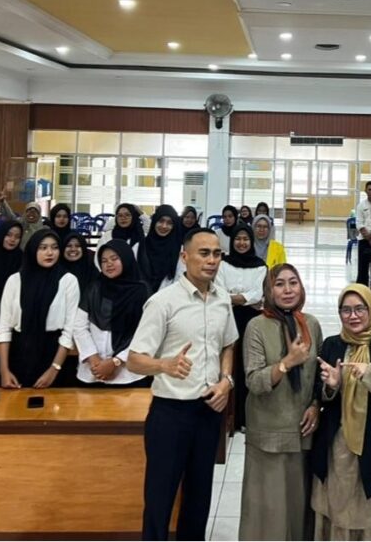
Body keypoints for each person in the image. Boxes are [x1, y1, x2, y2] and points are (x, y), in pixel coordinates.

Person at [126, 228, 237, 541]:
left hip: (208, 411)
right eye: (204, 253)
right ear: (184, 256)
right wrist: (164, 365)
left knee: (199, 499)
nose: (212, 260)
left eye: (217, 254)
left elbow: (228, 344)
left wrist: (226, 380)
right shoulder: (162, 302)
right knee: (160, 499)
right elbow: (134, 359)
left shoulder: (222, 299)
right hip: (170, 414)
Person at [310, 284, 371, 540]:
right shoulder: (331, 345)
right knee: (335, 512)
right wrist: (332, 386)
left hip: (370, 448)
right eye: (346, 310)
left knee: (366, 516)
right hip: (335, 446)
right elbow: (317, 392)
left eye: (360, 309)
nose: (353, 316)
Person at [239, 264, 323, 540]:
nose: (287, 290)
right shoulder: (256, 326)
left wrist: (315, 406)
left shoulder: (310, 325)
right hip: (268, 433)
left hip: (302, 433)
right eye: (279, 284)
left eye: (293, 283)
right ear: (269, 290)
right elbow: (254, 381)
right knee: (268, 513)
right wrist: (286, 363)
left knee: (299, 511)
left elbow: (318, 377)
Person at [0, 229, 80, 389]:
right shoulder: (14, 280)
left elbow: (68, 331)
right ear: (32, 250)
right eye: (43, 248)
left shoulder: (68, 281)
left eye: (54, 247)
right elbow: (5, 328)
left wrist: (54, 369)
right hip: (19, 353)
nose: (50, 253)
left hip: (53, 353)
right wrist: (4, 370)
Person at [73, 240, 149, 386]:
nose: (109, 264)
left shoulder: (142, 291)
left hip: (128, 374)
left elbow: (146, 331)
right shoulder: (94, 288)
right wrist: (93, 358)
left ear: (126, 259)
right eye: (104, 261)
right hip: (92, 372)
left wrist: (116, 361)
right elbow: (79, 326)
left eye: (114, 259)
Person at [216, 223, 268, 431]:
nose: (241, 243)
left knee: (248, 364)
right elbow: (218, 291)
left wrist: (233, 297)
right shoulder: (223, 264)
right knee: (229, 365)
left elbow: (258, 294)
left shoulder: (260, 266)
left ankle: (246, 418)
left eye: (246, 239)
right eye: (238, 238)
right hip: (227, 317)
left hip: (251, 321)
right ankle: (230, 417)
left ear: (251, 241)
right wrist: (244, 298)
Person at [138, 205, 182, 293]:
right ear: (154, 221)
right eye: (161, 221)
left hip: (168, 297)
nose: (164, 226)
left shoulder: (180, 250)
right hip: (140, 295)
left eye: (169, 223)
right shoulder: (140, 246)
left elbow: (180, 279)